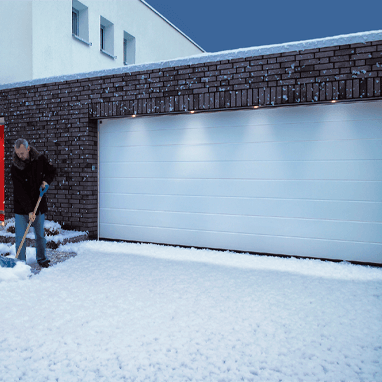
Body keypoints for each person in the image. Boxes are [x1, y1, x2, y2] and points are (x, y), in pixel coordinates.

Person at [11, 138, 56, 267]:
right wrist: (29, 210)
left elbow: (52, 171)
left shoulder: (40, 160)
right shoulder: (15, 167)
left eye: (22, 153)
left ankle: (42, 258)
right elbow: (19, 192)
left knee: (40, 235)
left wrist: (46, 181)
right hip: (22, 207)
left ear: (28, 149)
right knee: (20, 237)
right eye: (17, 153)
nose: (20, 156)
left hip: (39, 204)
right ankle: (20, 263)